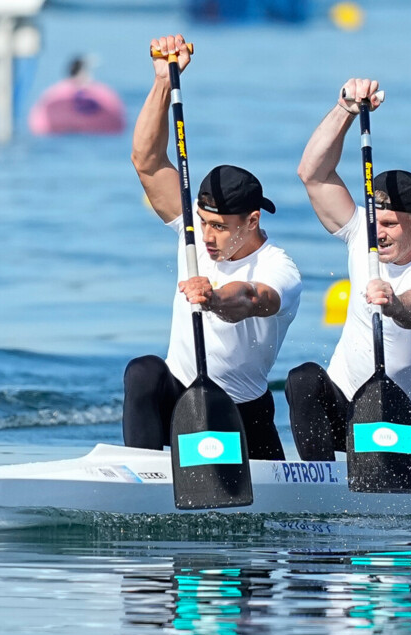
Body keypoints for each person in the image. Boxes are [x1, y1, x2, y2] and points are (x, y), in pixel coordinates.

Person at [124, 34, 302, 460]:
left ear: (252, 221)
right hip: (180, 397)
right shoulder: (194, 234)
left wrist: (215, 296)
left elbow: (250, 299)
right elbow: (146, 160)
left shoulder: (282, 270)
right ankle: (144, 473)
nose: (205, 237)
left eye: (219, 228)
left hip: (241, 413)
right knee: (143, 372)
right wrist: (165, 81)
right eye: (203, 223)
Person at [288, 77, 411, 463]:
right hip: (344, 405)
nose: (377, 234)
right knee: (303, 379)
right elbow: (313, 174)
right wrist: (345, 110)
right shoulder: (360, 234)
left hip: (400, 417)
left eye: (389, 225)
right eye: (374, 223)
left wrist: (396, 306)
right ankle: (319, 483)